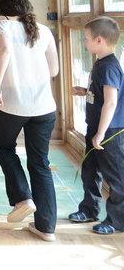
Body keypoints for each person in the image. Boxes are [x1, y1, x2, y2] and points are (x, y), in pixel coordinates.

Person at [0, 0, 59, 241]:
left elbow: (5, 50)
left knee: (3, 147)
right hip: (44, 107)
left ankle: (22, 198)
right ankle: (46, 227)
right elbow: (54, 70)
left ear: (3, 12)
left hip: (12, 105)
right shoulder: (44, 30)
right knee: (40, 163)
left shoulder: (2, 25)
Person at [68, 16, 124, 235]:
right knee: (90, 171)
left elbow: (111, 102)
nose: (84, 42)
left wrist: (100, 133)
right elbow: (102, 94)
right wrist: (86, 91)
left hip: (109, 132)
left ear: (99, 40)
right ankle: (89, 209)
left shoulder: (109, 66)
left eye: (86, 38)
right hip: (96, 129)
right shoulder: (101, 63)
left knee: (115, 176)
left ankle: (117, 220)